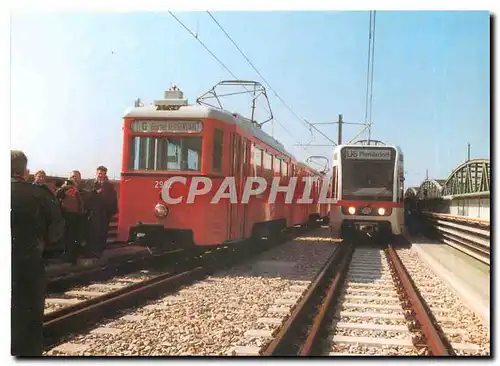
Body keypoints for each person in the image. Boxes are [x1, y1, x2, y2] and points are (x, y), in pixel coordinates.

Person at [11, 151, 65, 356]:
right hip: (28, 263)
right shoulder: (40, 194)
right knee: (28, 324)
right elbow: (57, 231)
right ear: (25, 171)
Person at [81, 166, 117, 263]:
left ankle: (99, 252)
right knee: (91, 233)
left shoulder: (109, 186)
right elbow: (85, 195)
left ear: (105, 174)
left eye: (103, 174)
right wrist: (94, 192)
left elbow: (113, 199)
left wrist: (112, 211)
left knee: (102, 233)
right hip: (92, 213)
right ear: (96, 173)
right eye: (99, 173)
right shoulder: (89, 183)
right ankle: (90, 252)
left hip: (104, 213)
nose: (101, 175)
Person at [55, 171, 86, 264]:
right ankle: (67, 256)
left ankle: (73, 257)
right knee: (67, 236)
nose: (74, 178)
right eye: (72, 176)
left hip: (79, 215)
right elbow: (57, 195)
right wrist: (65, 187)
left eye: (76, 176)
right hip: (66, 214)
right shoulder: (65, 187)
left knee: (76, 236)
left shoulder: (82, 188)